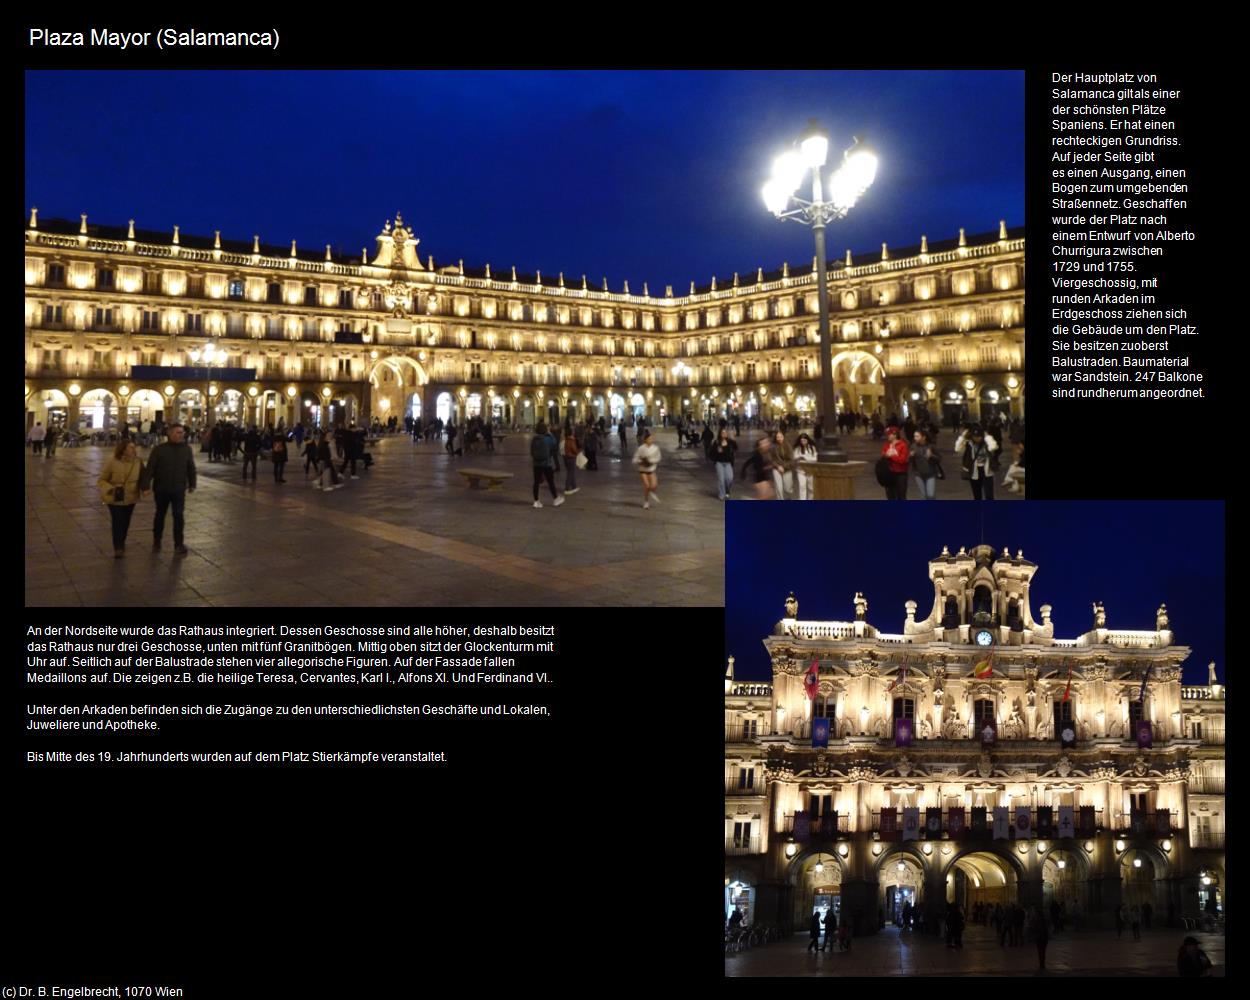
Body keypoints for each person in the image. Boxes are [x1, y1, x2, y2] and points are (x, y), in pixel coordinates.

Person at [145, 424, 196, 554]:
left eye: (182, 432)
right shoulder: (159, 449)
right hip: (161, 488)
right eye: (178, 432)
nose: (181, 435)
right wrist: (145, 486)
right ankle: (157, 539)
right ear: (170, 434)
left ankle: (178, 543)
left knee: (178, 515)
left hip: (178, 488)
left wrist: (192, 483)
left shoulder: (186, 449)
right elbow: (150, 468)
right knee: (160, 514)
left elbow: (191, 467)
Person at [97, 439, 148, 557]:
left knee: (126, 521)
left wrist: (145, 488)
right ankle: (118, 547)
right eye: (130, 447)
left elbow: (143, 477)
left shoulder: (138, 462)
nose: (133, 450)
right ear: (123, 450)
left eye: (134, 447)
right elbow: (102, 480)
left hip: (131, 497)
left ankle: (122, 541)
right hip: (115, 497)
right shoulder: (113, 462)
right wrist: (111, 489)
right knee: (118, 521)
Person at [955, 423, 999, 500]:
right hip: (974, 471)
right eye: (975, 436)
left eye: (979, 436)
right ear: (972, 436)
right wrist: (963, 436)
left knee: (989, 495)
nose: (977, 438)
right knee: (977, 495)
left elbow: (993, 447)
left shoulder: (986, 443)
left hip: (987, 471)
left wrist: (987, 436)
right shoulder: (969, 443)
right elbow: (957, 449)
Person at [529, 421, 563, 509]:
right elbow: (554, 443)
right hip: (546, 463)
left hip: (536, 464)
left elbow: (532, 451)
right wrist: (549, 433)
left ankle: (536, 501)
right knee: (550, 482)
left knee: (536, 482)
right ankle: (555, 499)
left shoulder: (534, 439)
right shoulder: (547, 439)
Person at [632, 429, 661, 509]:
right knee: (647, 485)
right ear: (645, 440)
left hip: (651, 469)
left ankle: (652, 492)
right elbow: (634, 459)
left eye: (652, 439)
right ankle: (646, 502)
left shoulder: (655, 448)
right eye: (649, 439)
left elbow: (658, 458)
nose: (651, 440)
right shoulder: (641, 448)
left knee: (654, 485)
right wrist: (640, 461)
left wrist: (651, 461)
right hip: (643, 469)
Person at [909, 429, 941, 499]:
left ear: (923, 437)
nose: (915, 438)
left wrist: (931, 455)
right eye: (914, 436)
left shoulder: (931, 446)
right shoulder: (913, 446)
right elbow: (909, 461)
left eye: (917, 436)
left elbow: (939, 458)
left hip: (930, 474)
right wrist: (910, 456)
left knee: (930, 495)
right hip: (918, 474)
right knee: (923, 495)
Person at [881, 425, 909, 499]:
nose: (887, 436)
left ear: (895, 434)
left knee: (901, 495)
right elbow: (884, 454)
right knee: (890, 496)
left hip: (900, 474)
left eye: (889, 434)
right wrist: (886, 455)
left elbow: (903, 460)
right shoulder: (887, 445)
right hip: (889, 473)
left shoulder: (903, 445)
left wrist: (891, 456)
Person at [711, 427, 738, 501]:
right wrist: (717, 453)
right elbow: (712, 453)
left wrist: (734, 438)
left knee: (729, 478)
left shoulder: (730, 442)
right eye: (723, 433)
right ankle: (721, 495)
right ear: (720, 434)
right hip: (719, 463)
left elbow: (736, 448)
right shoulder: (716, 442)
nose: (724, 434)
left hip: (728, 463)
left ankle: (727, 490)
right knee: (721, 479)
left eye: (725, 432)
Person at [768, 430, 792, 500]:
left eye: (781, 436)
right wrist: (778, 466)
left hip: (787, 468)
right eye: (777, 437)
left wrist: (784, 467)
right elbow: (770, 459)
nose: (779, 438)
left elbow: (791, 459)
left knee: (788, 488)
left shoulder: (788, 445)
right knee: (779, 487)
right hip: (776, 468)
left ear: (784, 437)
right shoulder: (772, 447)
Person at [793, 433, 818, 500]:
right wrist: (799, 458)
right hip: (801, 471)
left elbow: (815, 458)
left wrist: (806, 459)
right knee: (802, 486)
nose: (803, 442)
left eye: (804, 440)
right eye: (801, 441)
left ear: (807, 440)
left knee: (811, 488)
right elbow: (795, 458)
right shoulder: (797, 449)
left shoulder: (812, 448)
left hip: (810, 471)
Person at [1030, 906, 1050, 971]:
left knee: (1039, 951)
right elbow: (1047, 929)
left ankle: (1041, 964)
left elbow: (1034, 929)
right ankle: (1042, 964)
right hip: (1044, 938)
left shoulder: (1037, 921)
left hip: (1039, 938)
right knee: (1043, 951)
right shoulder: (1045, 921)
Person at [562, 425, 580, 495]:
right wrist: (578, 451)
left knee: (571, 472)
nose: (574, 432)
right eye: (573, 431)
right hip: (571, 457)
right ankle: (567, 489)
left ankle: (574, 487)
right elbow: (574, 450)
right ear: (571, 433)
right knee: (570, 473)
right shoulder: (571, 440)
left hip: (566, 458)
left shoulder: (566, 439)